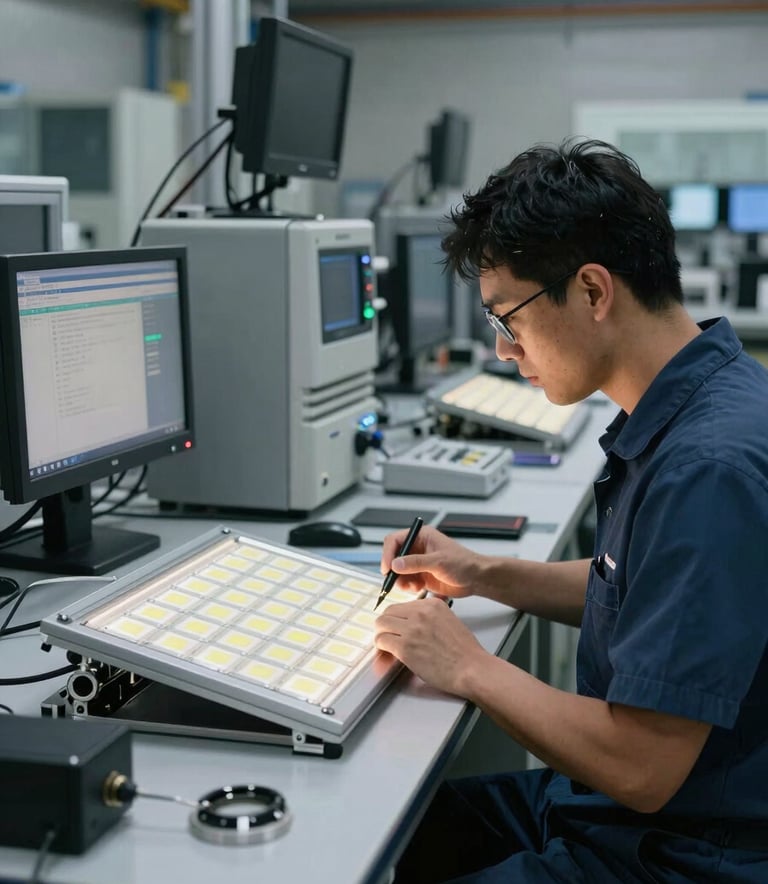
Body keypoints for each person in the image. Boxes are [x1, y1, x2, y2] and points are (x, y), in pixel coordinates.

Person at [374, 138, 768, 883]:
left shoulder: (708, 468)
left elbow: (643, 764)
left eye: (508, 317)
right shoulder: (698, 401)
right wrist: (483, 572)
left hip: (678, 852)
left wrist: (466, 666)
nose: (501, 349)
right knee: (373, 833)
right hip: (608, 809)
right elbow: (649, 586)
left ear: (592, 291)